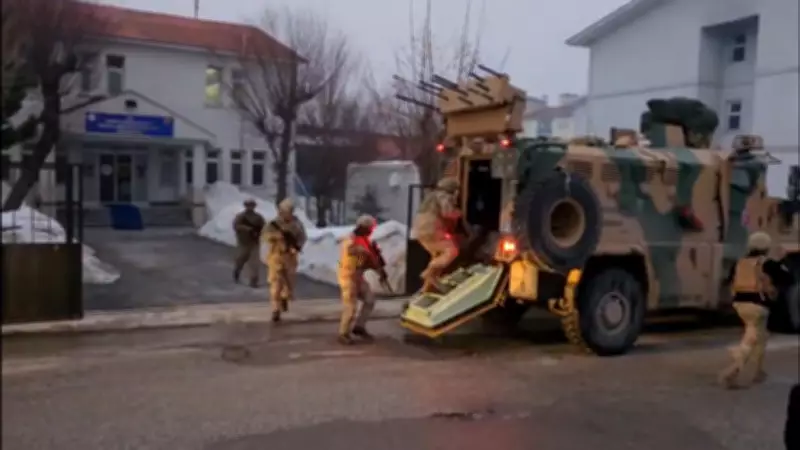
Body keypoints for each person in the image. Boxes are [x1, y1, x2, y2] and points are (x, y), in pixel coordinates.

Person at [718, 231, 794, 389]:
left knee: (761, 336)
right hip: (758, 305)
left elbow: (729, 280)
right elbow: (789, 279)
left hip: (739, 304)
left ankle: (758, 371)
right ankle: (734, 368)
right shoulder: (768, 263)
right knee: (752, 337)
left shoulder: (740, 262)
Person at [337, 215, 382, 345]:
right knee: (350, 307)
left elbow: (367, 261)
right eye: (370, 228)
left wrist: (378, 268)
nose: (371, 231)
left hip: (358, 277)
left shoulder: (365, 240)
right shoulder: (350, 239)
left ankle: (359, 327)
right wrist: (362, 250)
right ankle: (343, 333)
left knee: (370, 299)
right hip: (348, 276)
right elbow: (350, 250)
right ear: (363, 227)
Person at [412, 177, 462, 289]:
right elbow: (447, 212)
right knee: (452, 251)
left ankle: (428, 286)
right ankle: (428, 273)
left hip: (420, 230)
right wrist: (460, 213)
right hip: (432, 228)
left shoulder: (431, 196)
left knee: (438, 255)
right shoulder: (444, 196)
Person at [263, 198, 307, 322]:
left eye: (289, 211)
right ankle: (275, 309)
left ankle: (284, 297)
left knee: (290, 283)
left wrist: (297, 247)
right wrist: (277, 237)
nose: (287, 213)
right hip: (276, 256)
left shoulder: (297, 224)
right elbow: (265, 236)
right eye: (285, 211)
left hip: (290, 257)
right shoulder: (273, 224)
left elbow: (302, 237)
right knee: (275, 284)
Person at [232, 199, 266, 287]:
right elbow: (236, 226)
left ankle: (254, 281)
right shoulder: (241, 216)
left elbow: (264, 227)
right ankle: (237, 271)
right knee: (240, 260)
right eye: (248, 205)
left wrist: (259, 232)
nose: (250, 207)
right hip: (244, 242)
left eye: (251, 205)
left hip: (254, 243)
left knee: (254, 263)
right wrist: (248, 229)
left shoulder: (258, 217)